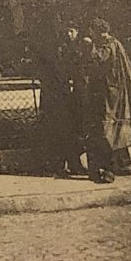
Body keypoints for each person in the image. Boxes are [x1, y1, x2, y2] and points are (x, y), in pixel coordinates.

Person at [80, 18, 131, 184]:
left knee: (108, 130)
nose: (90, 33)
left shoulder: (108, 45)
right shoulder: (116, 43)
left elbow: (99, 60)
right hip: (116, 93)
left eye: (91, 31)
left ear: (97, 30)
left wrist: (88, 46)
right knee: (118, 128)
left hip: (110, 95)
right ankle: (123, 164)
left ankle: (109, 169)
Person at [41, 24, 87, 178]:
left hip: (71, 98)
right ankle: (59, 165)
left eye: (72, 31)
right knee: (60, 132)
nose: (69, 34)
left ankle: (74, 164)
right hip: (58, 99)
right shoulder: (57, 51)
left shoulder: (76, 48)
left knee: (72, 133)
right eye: (67, 31)